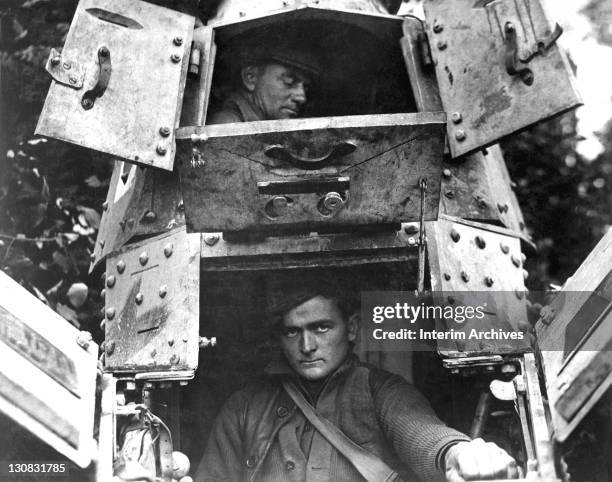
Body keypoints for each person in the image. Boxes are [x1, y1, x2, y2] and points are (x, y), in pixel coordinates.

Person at [195, 279, 519, 482]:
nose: (306, 346)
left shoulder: (380, 390)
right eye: (292, 331)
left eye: (321, 328)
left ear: (350, 329)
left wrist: (459, 454)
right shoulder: (244, 407)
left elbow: (425, 434)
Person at [208, 36, 320, 124]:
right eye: (289, 81)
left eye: (306, 88)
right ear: (250, 77)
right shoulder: (227, 125)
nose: (302, 98)